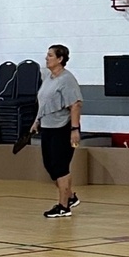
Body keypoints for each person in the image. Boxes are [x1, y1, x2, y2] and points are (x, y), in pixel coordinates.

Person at [29, 44, 83, 218]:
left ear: (60, 59)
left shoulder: (67, 80)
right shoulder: (50, 78)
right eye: (47, 55)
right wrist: (37, 121)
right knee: (50, 165)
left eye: (50, 55)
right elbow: (44, 102)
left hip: (64, 128)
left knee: (60, 166)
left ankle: (63, 206)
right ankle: (70, 196)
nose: (46, 58)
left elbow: (75, 104)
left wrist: (74, 130)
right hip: (48, 127)